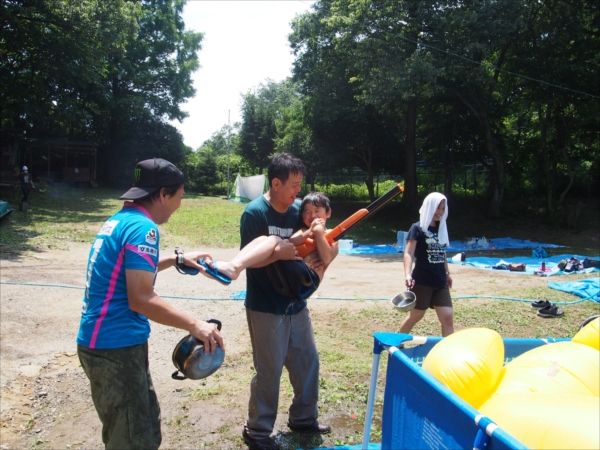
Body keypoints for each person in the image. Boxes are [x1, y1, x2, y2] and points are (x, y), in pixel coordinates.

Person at [76, 157, 225, 450]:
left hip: (102, 343)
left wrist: (178, 259)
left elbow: (127, 270)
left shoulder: (119, 220)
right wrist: (197, 325)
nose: (179, 205)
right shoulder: (145, 229)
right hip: (115, 347)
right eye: (179, 197)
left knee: (139, 427)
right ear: (162, 194)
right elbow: (141, 298)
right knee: (134, 440)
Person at [240, 154, 331, 450]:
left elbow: (313, 247)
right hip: (265, 304)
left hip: (296, 303)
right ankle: (257, 432)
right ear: (276, 183)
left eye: (300, 185)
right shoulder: (255, 213)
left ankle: (303, 418)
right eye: (293, 185)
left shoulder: (297, 212)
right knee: (269, 370)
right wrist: (276, 253)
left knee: (307, 362)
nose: (298, 192)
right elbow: (249, 262)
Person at [211, 191, 338, 300]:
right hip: (291, 276)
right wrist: (309, 232)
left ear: (328, 213)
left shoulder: (332, 235)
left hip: (308, 280)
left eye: (317, 211)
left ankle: (234, 268)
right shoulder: (305, 230)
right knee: (268, 239)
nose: (313, 215)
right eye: (307, 212)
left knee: (274, 239)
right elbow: (291, 241)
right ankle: (234, 266)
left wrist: (318, 232)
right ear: (302, 215)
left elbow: (326, 258)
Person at [400, 192, 454, 337]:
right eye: (438, 208)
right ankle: (396, 344)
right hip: (422, 281)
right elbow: (408, 253)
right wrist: (408, 274)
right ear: (429, 207)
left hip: (440, 281)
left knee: (447, 317)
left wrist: (447, 273)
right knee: (416, 316)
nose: (440, 212)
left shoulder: (441, 227)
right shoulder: (417, 228)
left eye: (443, 208)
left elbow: (441, 251)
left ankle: (448, 353)